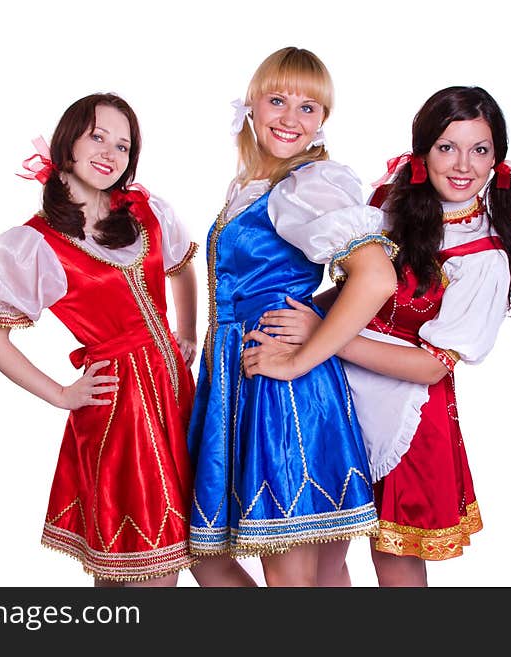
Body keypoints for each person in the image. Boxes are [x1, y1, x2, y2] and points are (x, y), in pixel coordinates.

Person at [254, 85, 511, 586]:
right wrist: (291, 312)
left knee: (396, 559)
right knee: (323, 544)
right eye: (447, 146)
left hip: (409, 414)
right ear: (423, 150)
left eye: (480, 149)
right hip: (341, 392)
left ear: (498, 158)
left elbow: (432, 366)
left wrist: (322, 336)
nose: (463, 164)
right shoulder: (393, 194)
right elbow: (356, 285)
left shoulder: (485, 256)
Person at [0, 93, 201, 586]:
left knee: (205, 552)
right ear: (67, 142)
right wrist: (62, 394)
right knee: (138, 565)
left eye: (123, 144)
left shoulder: (146, 212)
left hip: (177, 394)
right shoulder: (38, 242)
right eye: (98, 136)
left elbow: (181, 269)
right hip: (121, 410)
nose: (110, 153)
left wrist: (187, 334)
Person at [187, 46, 398, 588]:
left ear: (323, 121)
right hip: (239, 377)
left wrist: (304, 354)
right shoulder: (255, 186)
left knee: (291, 575)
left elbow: (374, 277)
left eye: (309, 107)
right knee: (215, 555)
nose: (290, 118)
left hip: (283, 387)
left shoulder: (308, 186)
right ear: (252, 106)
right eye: (278, 100)